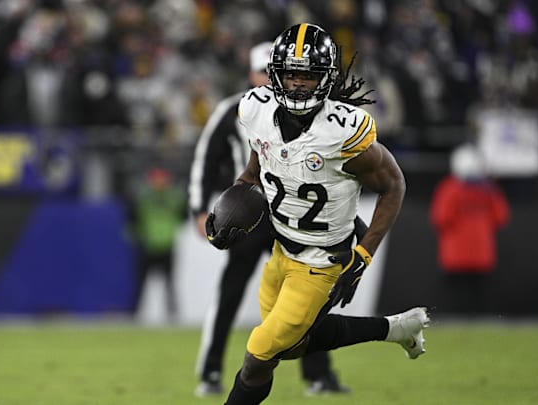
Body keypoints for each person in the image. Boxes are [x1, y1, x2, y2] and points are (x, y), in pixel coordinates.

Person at [203, 23, 430, 404]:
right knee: (290, 347)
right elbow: (255, 166)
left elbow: (394, 186)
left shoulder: (341, 132)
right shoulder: (257, 110)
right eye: (291, 74)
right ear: (275, 75)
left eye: (307, 76)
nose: (297, 84)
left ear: (325, 78)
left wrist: (363, 254)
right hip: (280, 251)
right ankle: (395, 329)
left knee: (258, 354)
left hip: (321, 263)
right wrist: (236, 201)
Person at [189, 41, 349, 397]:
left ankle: (319, 375)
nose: (268, 78)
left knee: (307, 297)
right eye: (261, 71)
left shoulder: (310, 111)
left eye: (273, 72)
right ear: (250, 73)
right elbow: (206, 157)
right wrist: (199, 207)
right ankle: (211, 370)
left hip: (291, 214)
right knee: (230, 293)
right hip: (247, 214)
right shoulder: (237, 108)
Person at [430, 143, 509, 315]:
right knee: (480, 299)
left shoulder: (449, 188)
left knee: (457, 301)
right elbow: (501, 217)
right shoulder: (489, 190)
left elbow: (441, 218)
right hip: (482, 254)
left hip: (455, 255)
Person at [128, 167, 186, 321]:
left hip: (167, 244)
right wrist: (139, 235)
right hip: (148, 245)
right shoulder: (143, 198)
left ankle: (172, 316)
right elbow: (133, 218)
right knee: (141, 284)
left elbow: (183, 217)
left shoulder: (174, 197)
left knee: (170, 284)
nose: (159, 182)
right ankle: (135, 314)